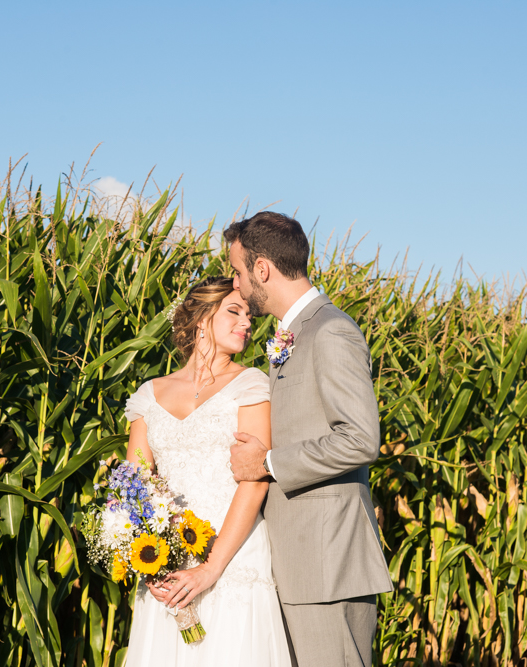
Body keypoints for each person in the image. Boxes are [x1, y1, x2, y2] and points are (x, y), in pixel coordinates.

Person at [225, 212, 394, 667]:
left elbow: (360, 439)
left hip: (328, 566)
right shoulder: (291, 335)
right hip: (296, 564)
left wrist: (268, 464)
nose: (236, 286)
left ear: (263, 269)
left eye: (238, 273)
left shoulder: (330, 330)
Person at [122, 276, 292, 667]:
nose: (247, 323)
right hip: (168, 561)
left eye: (249, 316)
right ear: (200, 319)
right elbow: (135, 484)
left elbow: (254, 481)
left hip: (232, 556)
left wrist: (211, 568)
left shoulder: (251, 385)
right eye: (234, 311)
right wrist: (151, 561)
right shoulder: (149, 394)